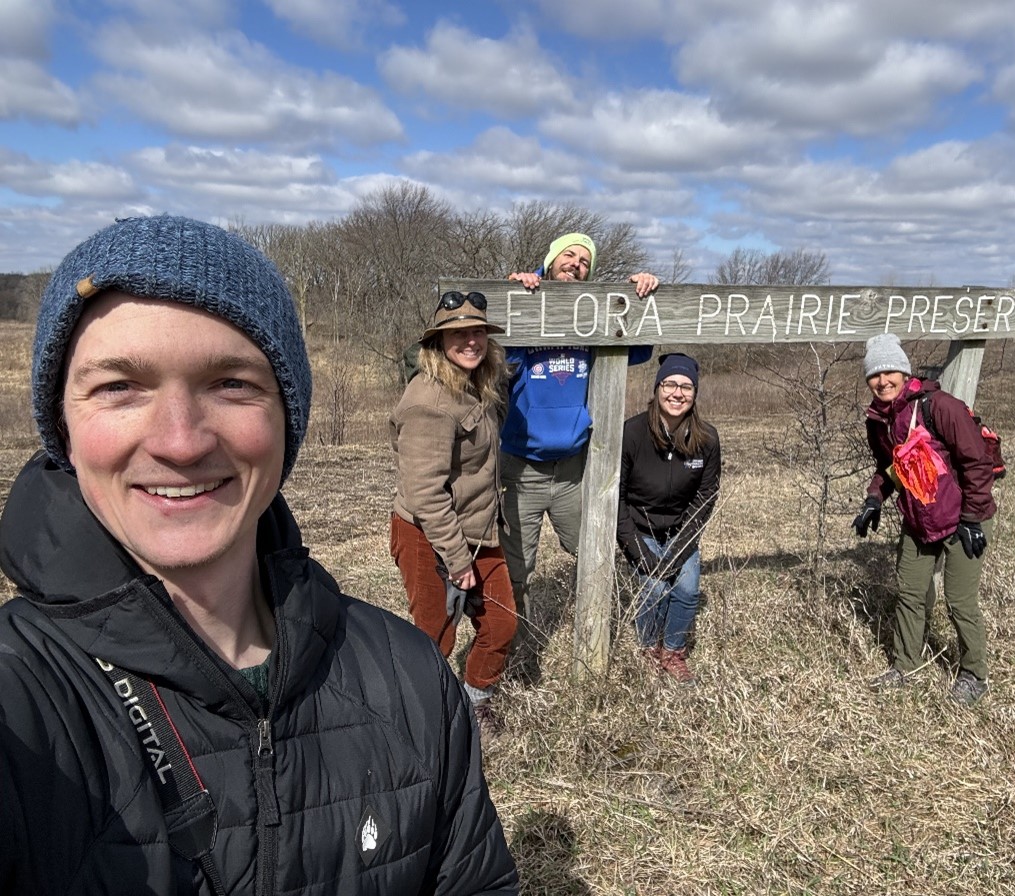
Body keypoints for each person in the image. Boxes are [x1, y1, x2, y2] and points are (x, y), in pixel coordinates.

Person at [0, 216, 518, 894]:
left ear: (286, 419)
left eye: (231, 383)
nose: (180, 442)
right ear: (61, 429)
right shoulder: (23, 704)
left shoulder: (412, 679)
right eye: (119, 387)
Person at [502, 232, 657, 655]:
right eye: (567, 255)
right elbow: (499, 360)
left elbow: (639, 346)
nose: (575, 264)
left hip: (574, 470)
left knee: (592, 550)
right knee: (516, 566)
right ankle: (516, 647)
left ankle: (597, 631)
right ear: (549, 261)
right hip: (521, 469)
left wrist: (640, 294)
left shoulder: (592, 313)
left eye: (585, 261)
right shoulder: (525, 299)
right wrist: (521, 290)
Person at [389, 290, 517, 737]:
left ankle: (473, 701)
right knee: (433, 636)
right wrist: (457, 560)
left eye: (477, 331)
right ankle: (421, 720)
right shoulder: (429, 401)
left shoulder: (479, 383)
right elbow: (425, 494)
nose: (470, 341)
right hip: (430, 533)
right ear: (438, 341)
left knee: (501, 624)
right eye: (458, 333)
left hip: (480, 529)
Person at [852, 332, 996, 707]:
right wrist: (874, 498)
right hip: (919, 518)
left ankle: (974, 674)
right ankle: (906, 665)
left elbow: (976, 462)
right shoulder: (877, 421)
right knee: (910, 593)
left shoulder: (940, 406)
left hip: (964, 516)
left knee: (960, 601)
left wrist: (972, 518)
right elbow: (889, 468)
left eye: (890, 372)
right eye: (874, 375)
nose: (882, 381)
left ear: (904, 371)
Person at [616, 353, 721, 684]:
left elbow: (706, 497)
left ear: (695, 393)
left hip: (680, 530)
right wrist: (639, 552)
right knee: (654, 585)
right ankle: (648, 648)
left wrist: (678, 551)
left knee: (687, 589)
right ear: (657, 387)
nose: (678, 393)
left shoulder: (706, 438)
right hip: (640, 527)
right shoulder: (632, 433)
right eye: (670, 384)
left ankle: (672, 650)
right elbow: (615, 496)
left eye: (686, 387)